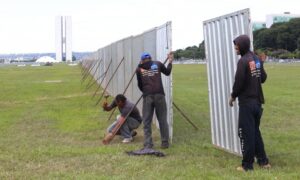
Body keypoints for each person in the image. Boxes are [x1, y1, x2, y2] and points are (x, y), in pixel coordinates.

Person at [229, 35, 271, 171]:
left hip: (247, 104)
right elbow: (263, 78)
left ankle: (247, 165)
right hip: (258, 103)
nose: (235, 48)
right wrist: (262, 64)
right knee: (255, 132)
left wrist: (233, 96)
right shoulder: (256, 59)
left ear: (243, 45)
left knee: (246, 134)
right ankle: (264, 162)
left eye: (237, 45)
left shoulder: (243, 61)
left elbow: (239, 82)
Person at [136, 52, 174, 149]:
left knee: (147, 121)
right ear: (151, 58)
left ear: (142, 60)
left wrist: (145, 91)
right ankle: (165, 143)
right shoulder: (158, 64)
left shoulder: (139, 69)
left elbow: (139, 85)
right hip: (159, 94)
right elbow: (168, 72)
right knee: (162, 120)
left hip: (147, 96)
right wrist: (170, 61)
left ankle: (148, 144)